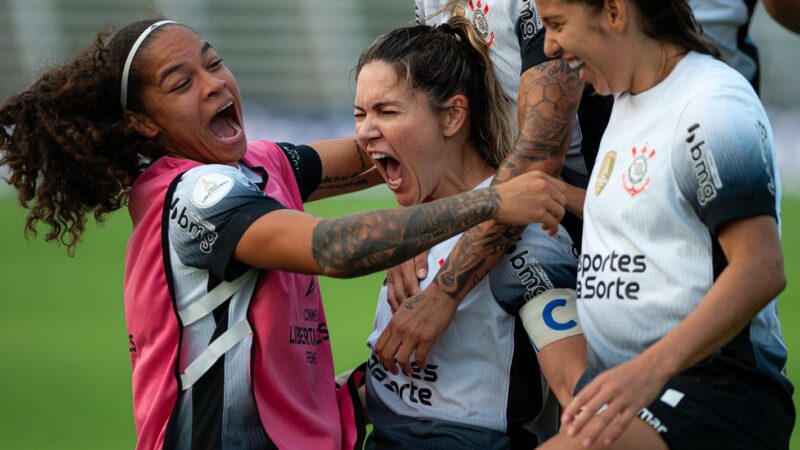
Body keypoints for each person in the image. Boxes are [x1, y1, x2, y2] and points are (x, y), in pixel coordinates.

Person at [0, 19, 569, 450]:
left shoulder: (262, 164)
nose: (212, 84)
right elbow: (334, 248)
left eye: (214, 63)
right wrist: (491, 201)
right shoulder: (197, 197)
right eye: (180, 84)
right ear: (145, 123)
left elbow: (398, 145)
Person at [530, 0, 793, 449]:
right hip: (633, 388)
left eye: (556, 24)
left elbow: (760, 269)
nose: (549, 45)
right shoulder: (626, 99)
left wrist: (646, 372)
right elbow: (651, 214)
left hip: (711, 393)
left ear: (615, 12)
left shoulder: (711, 103)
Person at [354, 18, 586, 449]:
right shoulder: (411, 228)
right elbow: (414, 390)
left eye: (386, 111)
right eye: (360, 114)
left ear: (453, 116)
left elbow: (582, 402)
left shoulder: (522, 236)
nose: (365, 132)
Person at [374, 0, 613, 379]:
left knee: (590, 398)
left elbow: (538, 155)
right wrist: (414, 222)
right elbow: (426, 112)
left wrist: (442, 296)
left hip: (591, 217)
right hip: (507, 200)